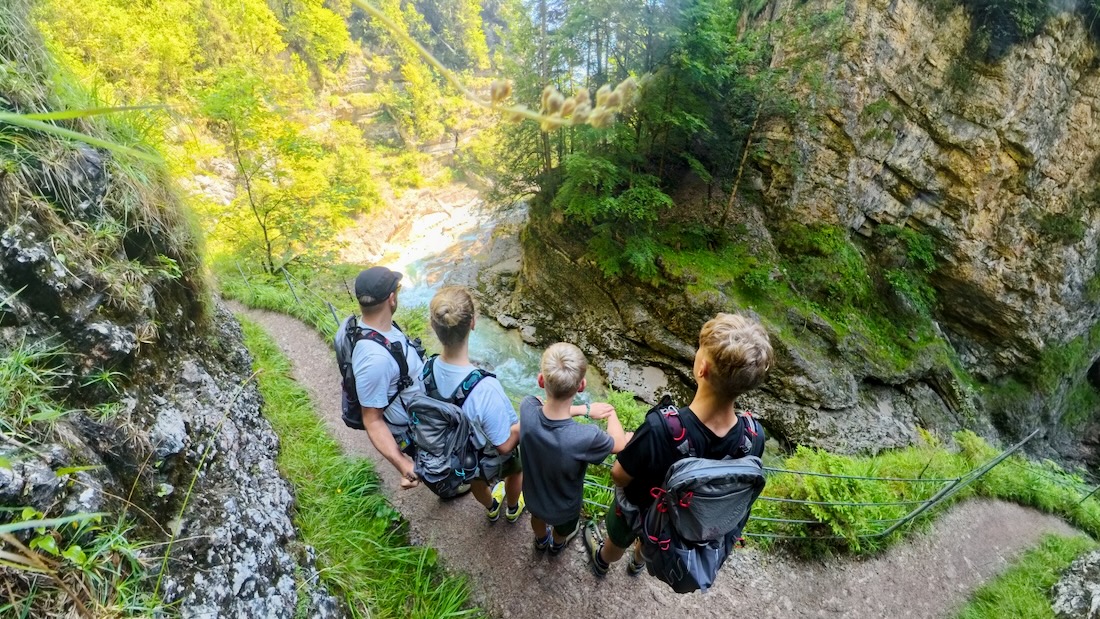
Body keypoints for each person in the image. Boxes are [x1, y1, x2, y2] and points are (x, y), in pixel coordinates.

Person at [582, 313, 774, 576]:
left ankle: (603, 560)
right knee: (650, 540)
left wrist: (630, 445)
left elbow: (619, 476)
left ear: (702, 368)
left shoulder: (660, 428)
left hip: (637, 507)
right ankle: (638, 563)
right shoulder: (753, 436)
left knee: (618, 537)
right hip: (678, 523)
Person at [520, 343, 629, 554]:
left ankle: (541, 541)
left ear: (541, 380)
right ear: (582, 386)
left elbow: (546, 409)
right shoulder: (587, 436)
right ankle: (557, 545)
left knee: (537, 520)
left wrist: (583, 409)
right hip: (565, 508)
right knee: (564, 530)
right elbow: (619, 443)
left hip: (533, 498)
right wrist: (610, 412)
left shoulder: (527, 407)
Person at [427, 286, 525, 522]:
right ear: (473, 322)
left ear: (433, 325)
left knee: (475, 480)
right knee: (516, 470)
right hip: (487, 453)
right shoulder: (485, 388)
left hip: (459, 453)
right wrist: (530, 419)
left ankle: (492, 507)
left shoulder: (426, 369)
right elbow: (504, 445)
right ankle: (512, 509)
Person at [351, 266, 425, 490]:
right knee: (446, 478)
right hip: (417, 429)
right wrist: (404, 465)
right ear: (392, 298)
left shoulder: (381, 329)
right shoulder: (375, 359)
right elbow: (372, 420)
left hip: (420, 413)